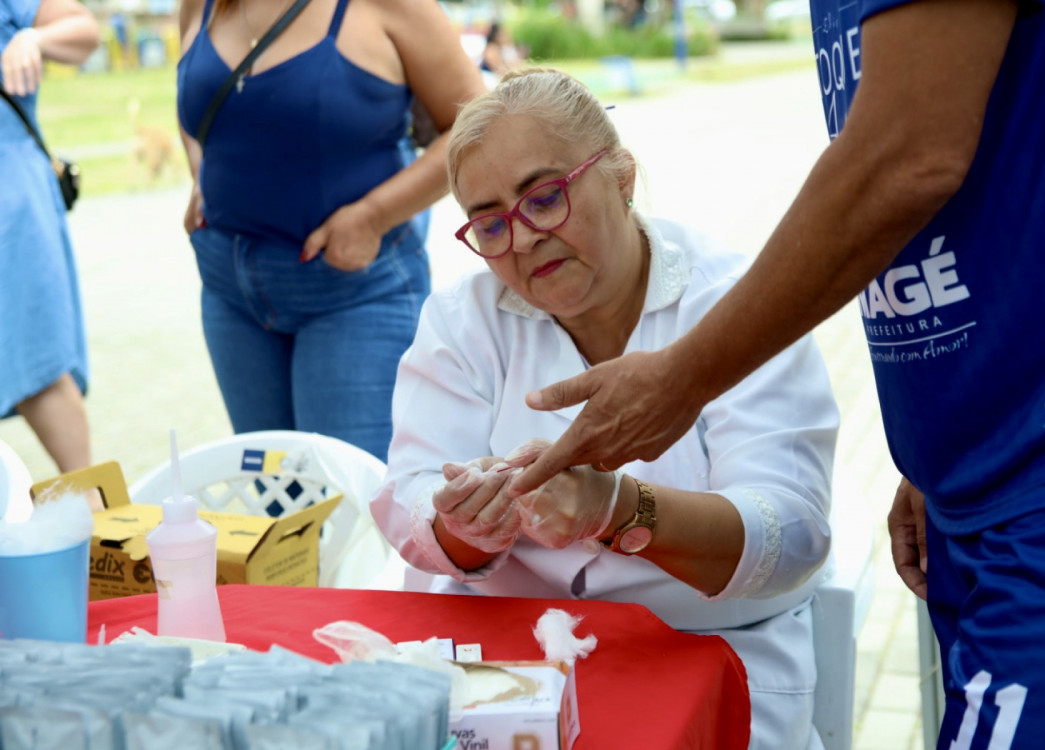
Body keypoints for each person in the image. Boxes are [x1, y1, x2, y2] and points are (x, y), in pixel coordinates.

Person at [503, 0, 1045, 748]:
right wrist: (950, 438)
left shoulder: (701, 280)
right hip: (1006, 464)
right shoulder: (469, 317)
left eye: (544, 197)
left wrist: (681, 380)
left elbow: (907, 154)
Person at [371, 68, 840, 748]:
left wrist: (619, 511)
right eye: (491, 222)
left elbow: (792, 536)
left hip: (705, 646)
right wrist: (469, 526)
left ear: (621, 175)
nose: (523, 239)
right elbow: (409, 500)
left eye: (545, 197)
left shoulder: (734, 307)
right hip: (507, 664)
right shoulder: (462, 320)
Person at [175, 0, 485, 461]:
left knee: (351, 506)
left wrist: (374, 216)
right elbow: (197, 96)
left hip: (354, 293)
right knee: (273, 500)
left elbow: (475, 125)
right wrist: (201, 170)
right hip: (229, 293)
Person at [0, 0, 99, 482]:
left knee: (37, 364)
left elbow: (83, 29)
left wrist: (33, 39)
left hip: (9, 202)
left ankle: (95, 527)